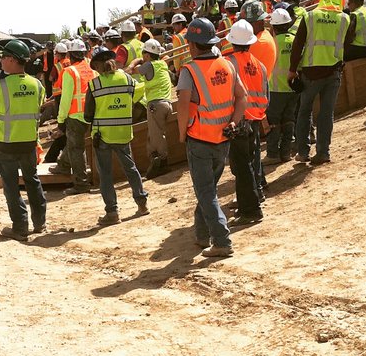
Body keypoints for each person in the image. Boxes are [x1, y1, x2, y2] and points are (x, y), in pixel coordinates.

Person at [176, 18, 246, 259]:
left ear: (192, 45)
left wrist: (182, 132)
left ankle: (222, 240)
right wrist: (234, 122)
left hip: (199, 139)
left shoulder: (189, 70)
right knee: (208, 189)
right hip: (223, 138)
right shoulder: (227, 65)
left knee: (205, 191)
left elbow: (183, 104)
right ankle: (202, 234)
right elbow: (242, 97)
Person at [0, 39, 47, 239]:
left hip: (6, 143)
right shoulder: (36, 84)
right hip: (29, 141)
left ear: (12, 59)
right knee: (32, 181)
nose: (1, 60)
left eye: (3, 57)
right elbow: (39, 105)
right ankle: (39, 223)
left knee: (11, 185)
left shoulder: (0, 85)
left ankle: (20, 228)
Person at [84, 46, 149, 225]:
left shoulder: (94, 84)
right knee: (130, 168)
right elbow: (137, 96)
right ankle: (142, 204)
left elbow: (88, 115)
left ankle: (112, 213)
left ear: (97, 65)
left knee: (105, 175)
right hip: (123, 132)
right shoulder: (127, 79)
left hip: (102, 136)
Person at [289, 0, 353, 164]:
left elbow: (297, 45)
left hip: (310, 72)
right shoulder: (345, 19)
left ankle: (303, 152)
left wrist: (292, 69)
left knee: (304, 111)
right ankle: (323, 152)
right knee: (326, 114)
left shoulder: (310, 17)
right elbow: (347, 44)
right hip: (333, 72)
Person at [224, 21, 269, 225]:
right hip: (255, 119)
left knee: (241, 166)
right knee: (249, 163)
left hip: (238, 120)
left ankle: (250, 210)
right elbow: (265, 94)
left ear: (232, 42)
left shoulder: (228, 63)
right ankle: (252, 199)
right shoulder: (259, 65)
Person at [55, 32, 95, 193]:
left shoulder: (70, 71)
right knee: (73, 144)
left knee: (77, 149)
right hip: (91, 114)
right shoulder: (92, 67)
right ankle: (63, 165)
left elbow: (66, 99)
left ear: (70, 55)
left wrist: (60, 119)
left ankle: (81, 183)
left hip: (75, 115)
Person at [263, 7, 298, 163]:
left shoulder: (272, 43)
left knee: (274, 122)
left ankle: (272, 154)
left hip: (276, 89)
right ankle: (285, 153)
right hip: (293, 88)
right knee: (289, 120)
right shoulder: (295, 39)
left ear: (273, 26)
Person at [137, 37, 174, 176]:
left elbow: (134, 70)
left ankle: (161, 163)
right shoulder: (162, 64)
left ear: (147, 55)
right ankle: (157, 161)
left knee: (156, 136)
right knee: (155, 134)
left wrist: (137, 61)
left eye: (143, 55)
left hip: (156, 104)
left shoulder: (149, 65)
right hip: (166, 103)